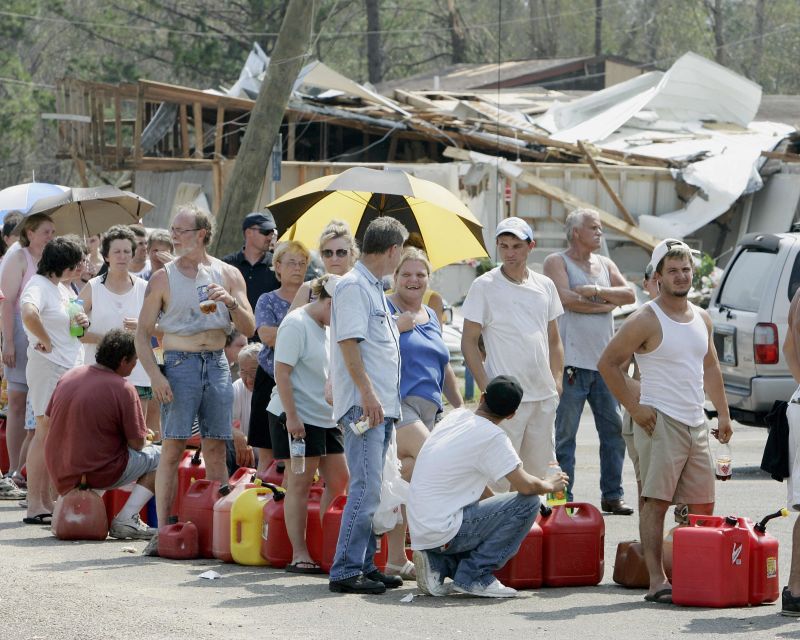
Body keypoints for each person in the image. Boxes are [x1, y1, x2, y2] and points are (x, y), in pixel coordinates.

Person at [598, 238, 732, 604]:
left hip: (696, 422)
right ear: (657, 277)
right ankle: (657, 580)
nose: (681, 276)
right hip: (660, 421)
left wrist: (722, 413)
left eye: (685, 269)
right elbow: (608, 363)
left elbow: (710, 366)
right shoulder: (645, 318)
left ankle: (688, 570)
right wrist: (635, 407)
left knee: (703, 506)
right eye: (672, 271)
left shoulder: (702, 317)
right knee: (655, 503)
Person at [135, 204, 254, 542]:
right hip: (178, 362)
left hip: (217, 362)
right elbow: (142, 335)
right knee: (172, 448)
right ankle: (165, 528)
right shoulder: (163, 276)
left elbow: (250, 326)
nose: (173, 236)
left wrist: (230, 302)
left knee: (216, 446)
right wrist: (156, 377)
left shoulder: (228, 274)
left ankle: (217, 529)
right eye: (172, 230)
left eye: (180, 231)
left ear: (201, 234)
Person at [409, 375, 569, 598]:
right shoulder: (492, 436)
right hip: (444, 529)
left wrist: (497, 511)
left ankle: (439, 562)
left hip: (421, 528)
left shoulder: (456, 417)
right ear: (512, 415)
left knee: (495, 508)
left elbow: (475, 483)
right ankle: (475, 576)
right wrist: (549, 485)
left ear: (482, 397)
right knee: (529, 503)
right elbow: (525, 486)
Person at [328, 216, 408, 595]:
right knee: (366, 488)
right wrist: (367, 394)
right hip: (366, 406)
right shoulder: (354, 287)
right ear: (392, 250)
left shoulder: (373, 287)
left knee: (373, 488)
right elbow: (349, 343)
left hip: (380, 406)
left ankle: (364, 564)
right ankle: (345, 569)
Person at [542, 209, 636, 515]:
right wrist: (605, 306)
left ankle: (612, 495)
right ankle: (561, 498)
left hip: (606, 365)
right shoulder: (557, 261)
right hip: (571, 363)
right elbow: (565, 298)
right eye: (594, 228)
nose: (600, 233)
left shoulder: (605, 264)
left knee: (614, 430)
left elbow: (630, 294)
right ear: (575, 232)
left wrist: (597, 291)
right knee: (565, 435)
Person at [461, 217, 564, 490]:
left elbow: (554, 339)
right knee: (500, 481)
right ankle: (501, 532)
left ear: (531, 246)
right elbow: (468, 342)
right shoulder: (483, 285)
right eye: (503, 245)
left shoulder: (545, 285)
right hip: (506, 401)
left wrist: (557, 381)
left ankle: (533, 532)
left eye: (516, 246)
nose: (509, 253)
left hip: (543, 397)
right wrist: (487, 388)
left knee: (539, 478)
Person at [384, 247, 463, 577]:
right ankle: (442, 551)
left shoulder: (432, 315)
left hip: (431, 408)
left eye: (420, 274)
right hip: (399, 404)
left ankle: (394, 561)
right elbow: (368, 349)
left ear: (429, 279)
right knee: (439, 464)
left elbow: (443, 367)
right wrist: (395, 329)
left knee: (408, 474)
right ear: (395, 278)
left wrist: (461, 408)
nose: (413, 280)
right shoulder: (385, 307)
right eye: (407, 274)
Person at [268, 274, 349, 573]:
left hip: (324, 416)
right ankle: (299, 553)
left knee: (340, 479)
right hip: (296, 414)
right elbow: (282, 373)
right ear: (327, 301)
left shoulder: (328, 328)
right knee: (300, 483)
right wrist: (292, 417)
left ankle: (322, 540)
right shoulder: (296, 323)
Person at [45, 329, 160, 539]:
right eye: (135, 361)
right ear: (124, 360)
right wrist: (144, 434)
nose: (136, 366)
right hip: (93, 471)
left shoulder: (69, 375)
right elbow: (137, 444)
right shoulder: (124, 388)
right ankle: (127, 519)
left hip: (59, 468)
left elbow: (53, 419)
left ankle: (85, 506)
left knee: (108, 452)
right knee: (162, 458)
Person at [20, 236, 89, 524]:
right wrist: (45, 340)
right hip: (49, 366)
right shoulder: (38, 286)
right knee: (43, 432)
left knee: (54, 436)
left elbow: (70, 326)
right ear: (63, 264)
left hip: (68, 366)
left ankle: (47, 499)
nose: (81, 266)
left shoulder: (63, 287)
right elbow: (27, 312)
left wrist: (82, 324)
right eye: (77, 262)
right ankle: (35, 503)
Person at [1, 213, 55, 493]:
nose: (51, 237)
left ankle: (26, 468)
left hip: (45, 338)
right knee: (18, 403)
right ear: (30, 232)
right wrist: (8, 342)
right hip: (21, 334)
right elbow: (7, 302)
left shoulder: (50, 259)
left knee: (39, 407)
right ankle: (12, 469)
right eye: (46, 231)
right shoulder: (19, 257)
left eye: (53, 232)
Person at [249, 240, 310, 479]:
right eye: (291, 262)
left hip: (305, 381)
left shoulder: (316, 299)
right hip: (270, 376)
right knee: (267, 452)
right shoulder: (267, 299)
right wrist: (301, 338)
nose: (297, 267)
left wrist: (287, 336)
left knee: (300, 454)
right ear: (277, 267)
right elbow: (266, 335)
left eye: (302, 263)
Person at [80, 225, 152, 418]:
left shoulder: (146, 288)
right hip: (97, 374)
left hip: (137, 374)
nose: (122, 256)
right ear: (106, 256)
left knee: (137, 439)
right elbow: (73, 329)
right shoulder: (92, 287)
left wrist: (142, 328)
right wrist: (104, 339)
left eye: (127, 251)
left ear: (133, 254)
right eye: (117, 251)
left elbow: (161, 328)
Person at [221, 210, 280, 327]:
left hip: (268, 340)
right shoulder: (226, 265)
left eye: (272, 232)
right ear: (248, 232)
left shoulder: (277, 265)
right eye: (266, 231)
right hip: (234, 341)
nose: (270, 236)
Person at [288, 219, 358, 312]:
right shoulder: (308, 290)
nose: (334, 258)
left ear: (352, 253)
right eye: (328, 252)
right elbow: (289, 325)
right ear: (321, 255)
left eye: (341, 252)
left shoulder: (362, 289)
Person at [228, 343, 259, 475]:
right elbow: (220, 421)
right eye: (243, 372)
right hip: (247, 458)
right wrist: (237, 434)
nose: (248, 379)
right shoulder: (238, 387)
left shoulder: (274, 387)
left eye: (253, 372)